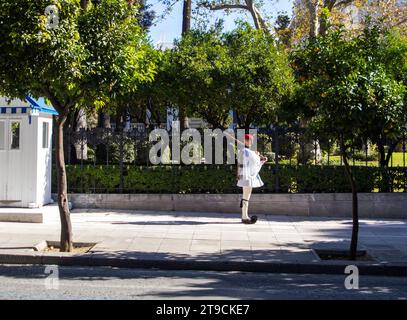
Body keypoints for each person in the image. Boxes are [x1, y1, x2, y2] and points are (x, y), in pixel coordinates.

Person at [236, 134, 267, 224]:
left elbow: (253, 162)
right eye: (249, 140)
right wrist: (258, 157)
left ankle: (244, 216)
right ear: (245, 141)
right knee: (246, 197)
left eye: (251, 140)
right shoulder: (245, 151)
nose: (251, 142)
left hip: (246, 176)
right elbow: (254, 162)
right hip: (246, 176)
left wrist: (259, 158)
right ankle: (244, 217)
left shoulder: (246, 151)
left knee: (246, 197)